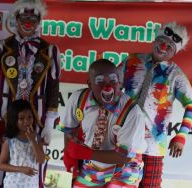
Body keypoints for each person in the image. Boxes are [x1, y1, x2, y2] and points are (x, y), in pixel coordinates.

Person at [0, 0, 61, 187]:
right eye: (24, 18)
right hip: (4, 118)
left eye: (33, 18)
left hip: (35, 120)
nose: (28, 22)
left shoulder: (49, 51)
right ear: (15, 20)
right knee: (1, 164)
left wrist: (49, 124)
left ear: (39, 21)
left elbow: (53, 88)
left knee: (35, 163)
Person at [122, 22, 192, 188]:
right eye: (161, 40)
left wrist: (182, 135)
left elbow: (191, 105)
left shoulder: (176, 75)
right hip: (123, 139)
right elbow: (112, 87)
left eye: (170, 45)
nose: (163, 46)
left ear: (175, 51)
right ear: (155, 40)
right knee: (119, 184)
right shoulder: (132, 60)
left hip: (153, 145)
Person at [58, 59, 147, 187]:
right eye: (100, 81)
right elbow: (68, 129)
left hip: (125, 168)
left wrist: (86, 153)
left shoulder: (132, 112)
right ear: (89, 84)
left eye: (112, 80)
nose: (108, 86)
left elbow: (124, 157)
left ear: (119, 82)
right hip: (93, 167)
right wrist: (69, 152)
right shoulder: (78, 99)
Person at [0, 100, 45, 188]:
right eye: (21, 118)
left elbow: (41, 160)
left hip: (31, 185)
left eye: (30, 117)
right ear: (14, 120)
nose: (26, 121)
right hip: (12, 185)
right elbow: (1, 165)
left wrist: (33, 140)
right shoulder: (9, 139)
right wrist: (20, 169)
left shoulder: (37, 138)